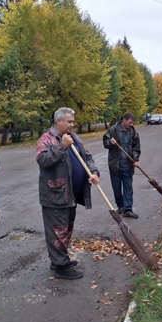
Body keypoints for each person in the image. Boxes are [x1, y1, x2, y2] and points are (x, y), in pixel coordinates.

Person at [36, 107, 100, 280]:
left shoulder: (74, 137)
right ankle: (60, 266)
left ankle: (59, 259)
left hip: (71, 194)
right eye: (69, 121)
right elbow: (43, 160)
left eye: (73, 121)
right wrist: (61, 147)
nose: (72, 124)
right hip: (54, 195)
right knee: (57, 230)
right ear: (59, 121)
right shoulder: (47, 139)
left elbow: (87, 157)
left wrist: (93, 173)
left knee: (66, 229)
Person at [102, 112, 141, 218]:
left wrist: (135, 159)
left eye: (132, 123)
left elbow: (136, 147)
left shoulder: (133, 132)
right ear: (124, 120)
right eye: (130, 122)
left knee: (128, 188)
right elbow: (105, 143)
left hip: (127, 166)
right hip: (115, 166)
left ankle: (128, 209)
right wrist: (110, 142)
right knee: (117, 188)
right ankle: (121, 207)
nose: (131, 124)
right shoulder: (113, 130)